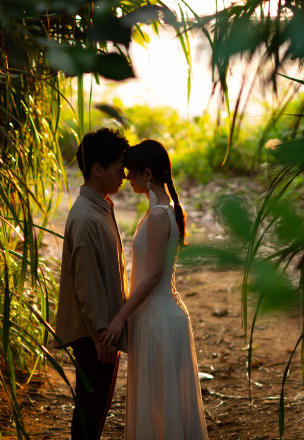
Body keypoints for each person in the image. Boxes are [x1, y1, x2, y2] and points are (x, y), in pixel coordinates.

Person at [100, 139, 208, 440]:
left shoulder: (161, 213)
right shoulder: (160, 210)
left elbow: (153, 275)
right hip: (153, 316)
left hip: (159, 317)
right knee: (160, 400)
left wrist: (120, 315)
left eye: (131, 173)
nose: (126, 178)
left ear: (147, 174)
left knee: (162, 402)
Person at [52, 127, 129, 440]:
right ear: (97, 170)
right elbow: (87, 283)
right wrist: (101, 336)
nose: (124, 175)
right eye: (118, 168)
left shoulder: (100, 206)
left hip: (100, 329)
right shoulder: (86, 218)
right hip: (94, 332)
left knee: (94, 408)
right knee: (91, 409)